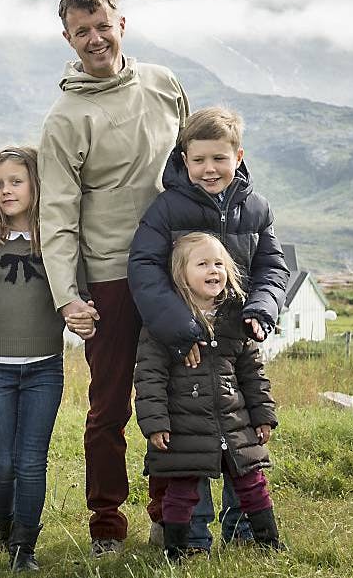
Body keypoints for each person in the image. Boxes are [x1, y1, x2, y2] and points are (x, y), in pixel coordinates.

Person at [38, 0, 189, 555]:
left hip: (174, 269)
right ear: (68, 39)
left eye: (103, 26)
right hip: (110, 277)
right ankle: (106, 522)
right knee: (109, 406)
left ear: (121, 24)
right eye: (83, 32)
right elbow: (57, 215)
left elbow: (196, 162)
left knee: (178, 393)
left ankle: (168, 510)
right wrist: (66, 297)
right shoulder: (65, 119)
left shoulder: (163, 83)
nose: (95, 39)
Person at [128, 107, 288, 551]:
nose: (209, 169)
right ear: (183, 158)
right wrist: (182, 329)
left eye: (219, 158)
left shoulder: (256, 209)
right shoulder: (166, 208)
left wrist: (261, 308)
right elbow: (143, 269)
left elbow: (272, 267)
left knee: (242, 442)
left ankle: (242, 534)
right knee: (189, 448)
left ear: (239, 155)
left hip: (235, 342)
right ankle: (188, 538)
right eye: (199, 160)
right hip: (184, 346)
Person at [0, 146, 90, 571]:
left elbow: (76, 297)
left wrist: (85, 315)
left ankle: (25, 547)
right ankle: (4, 530)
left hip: (45, 368)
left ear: (35, 184)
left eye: (16, 181)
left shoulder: (58, 242)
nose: (6, 190)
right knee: (3, 461)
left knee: (31, 461)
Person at [134, 232, 284, 561]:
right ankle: (177, 549)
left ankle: (269, 542)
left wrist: (263, 416)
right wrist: (155, 423)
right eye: (202, 264)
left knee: (252, 482)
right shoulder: (164, 324)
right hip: (184, 426)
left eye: (219, 263)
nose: (213, 269)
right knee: (182, 489)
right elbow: (149, 377)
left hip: (235, 423)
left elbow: (253, 373)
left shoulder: (236, 318)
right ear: (180, 274)